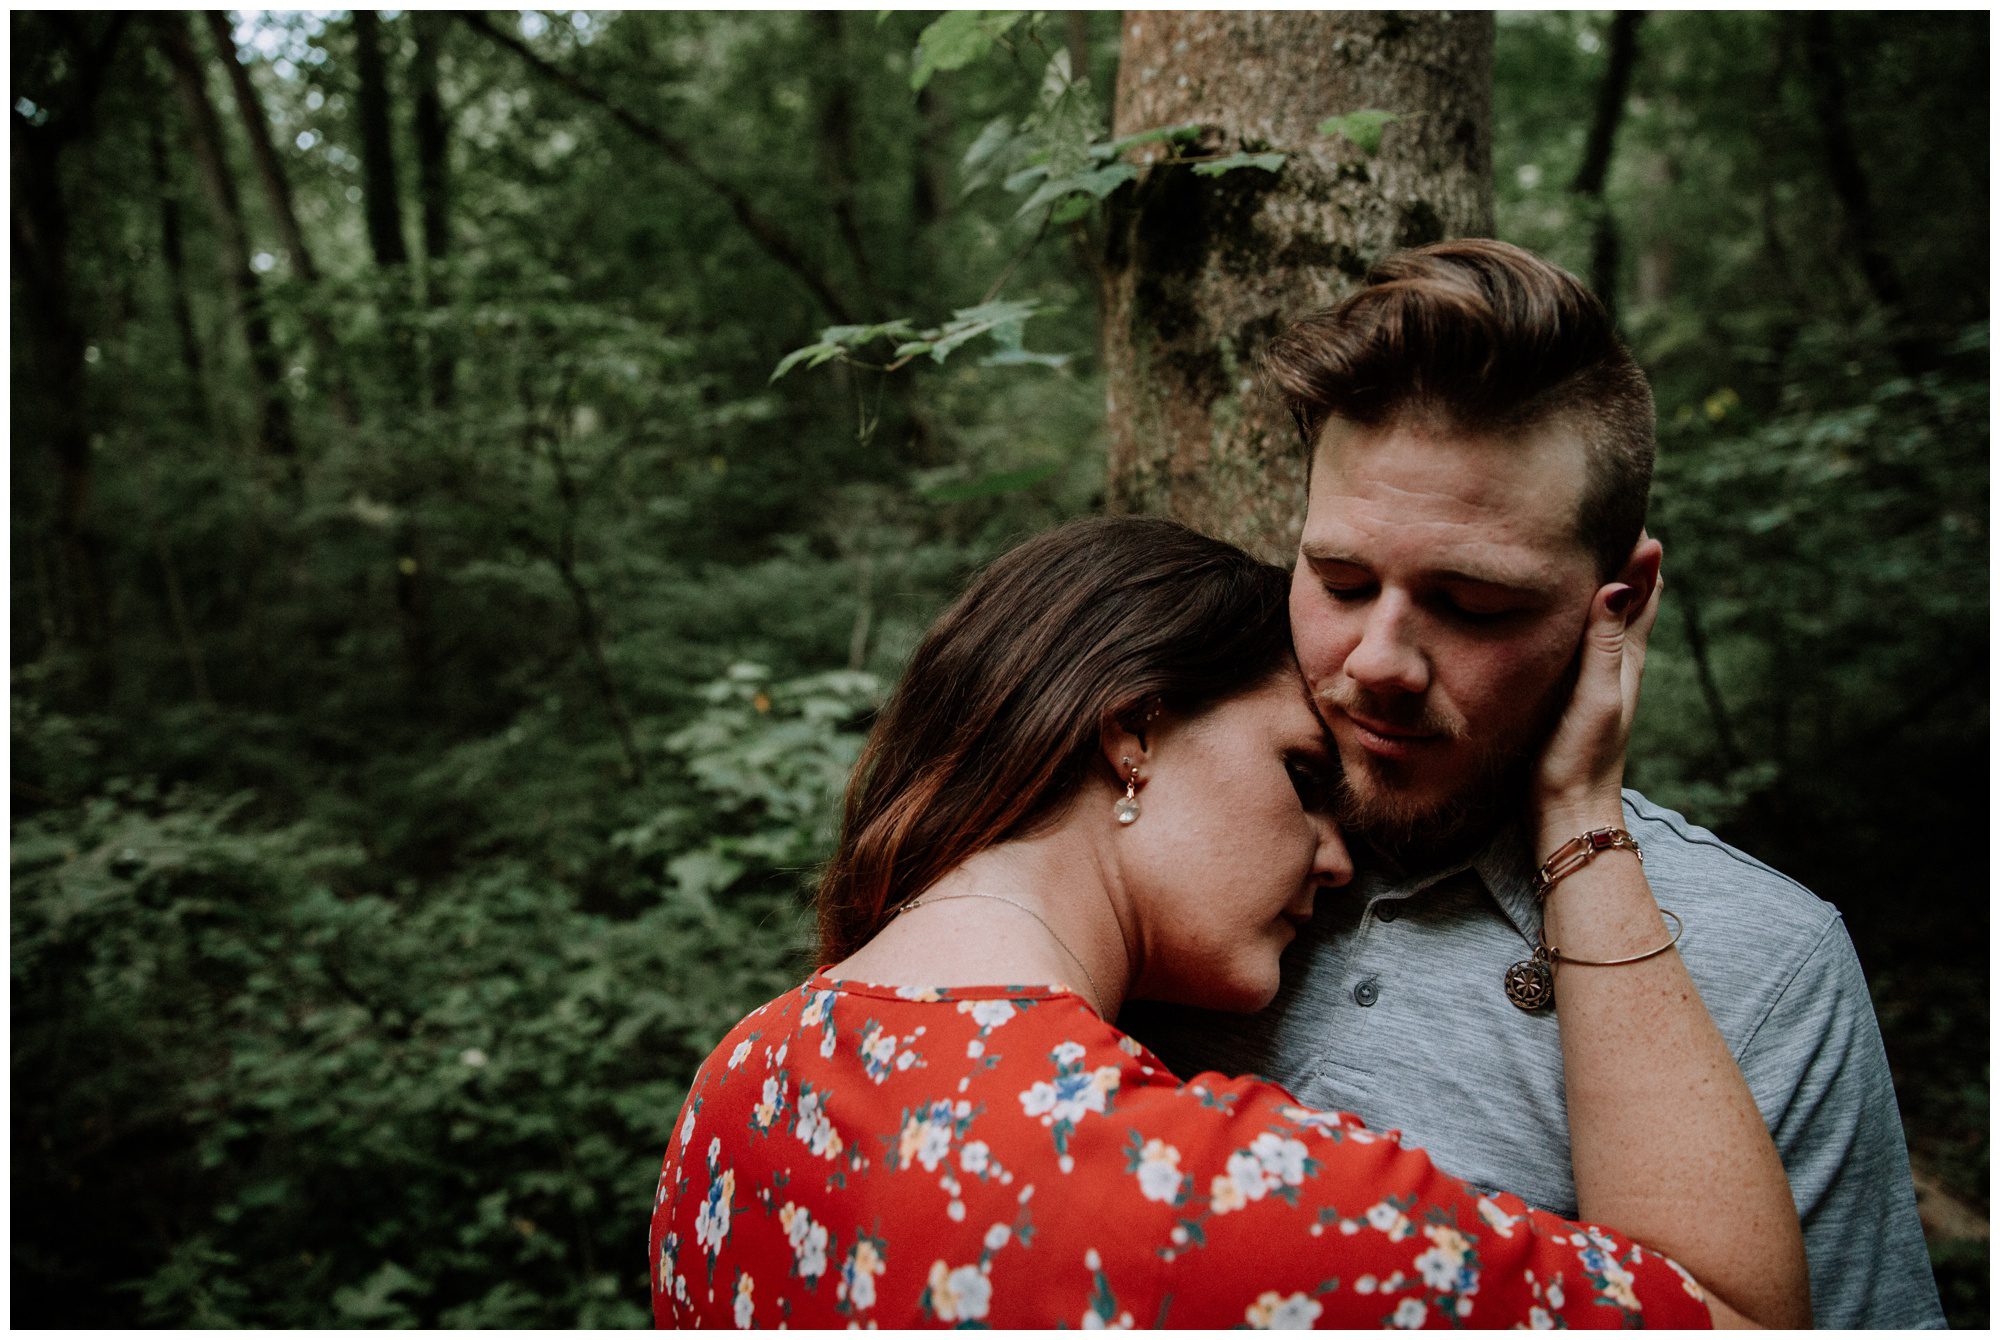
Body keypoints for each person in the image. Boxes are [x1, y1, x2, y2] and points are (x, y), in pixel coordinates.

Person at [648, 516, 1808, 1329]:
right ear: (1130, 732)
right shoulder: (1215, 1192)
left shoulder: (738, 1084)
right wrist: (1578, 806)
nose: (1336, 852)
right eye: (1304, 774)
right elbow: (1741, 1319)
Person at [1123, 239, 1944, 1329]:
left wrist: (1577, 816)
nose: (1377, 658)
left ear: (1623, 597)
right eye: (1340, 579)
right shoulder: (1151, 818)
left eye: (1473, 604)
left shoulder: (1763, 965)